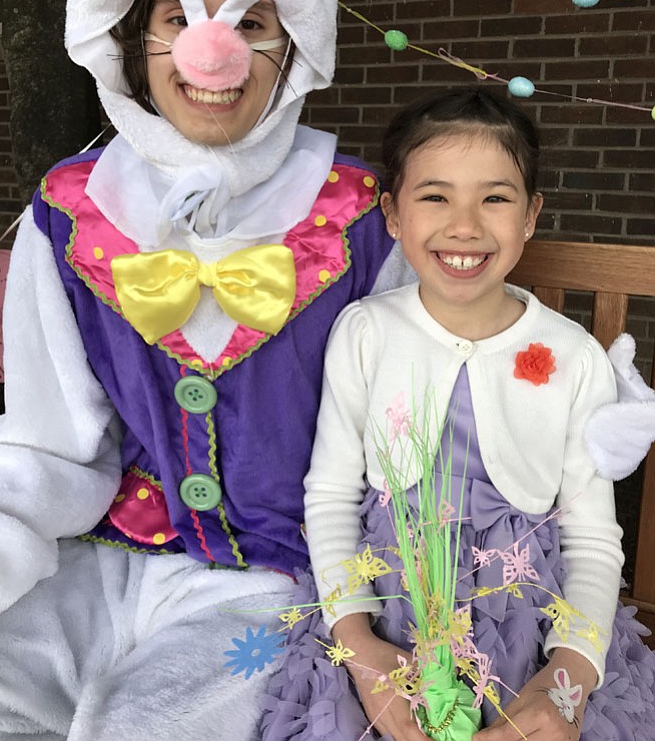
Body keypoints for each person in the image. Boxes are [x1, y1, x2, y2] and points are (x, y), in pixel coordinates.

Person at [0, 0, 427, 739]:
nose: (209, 45)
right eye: (174, 15)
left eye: (250, 20)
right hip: (99, 556)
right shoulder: (72, 212)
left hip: (280, 581)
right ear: (136, 39)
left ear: (292, 46)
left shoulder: (362, 219)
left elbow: (404, 444)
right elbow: (47, 441)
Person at [261, 88, 655, 741]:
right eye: (435, 195)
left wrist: (565, 682)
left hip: (528, 619)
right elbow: (330, 495)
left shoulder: (573, 355)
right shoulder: (364, 331)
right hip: (383, 609)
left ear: (530, 215)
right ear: (392, 213)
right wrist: (360, 651)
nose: (465, 224)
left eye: (495, 198)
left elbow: (592, 537)